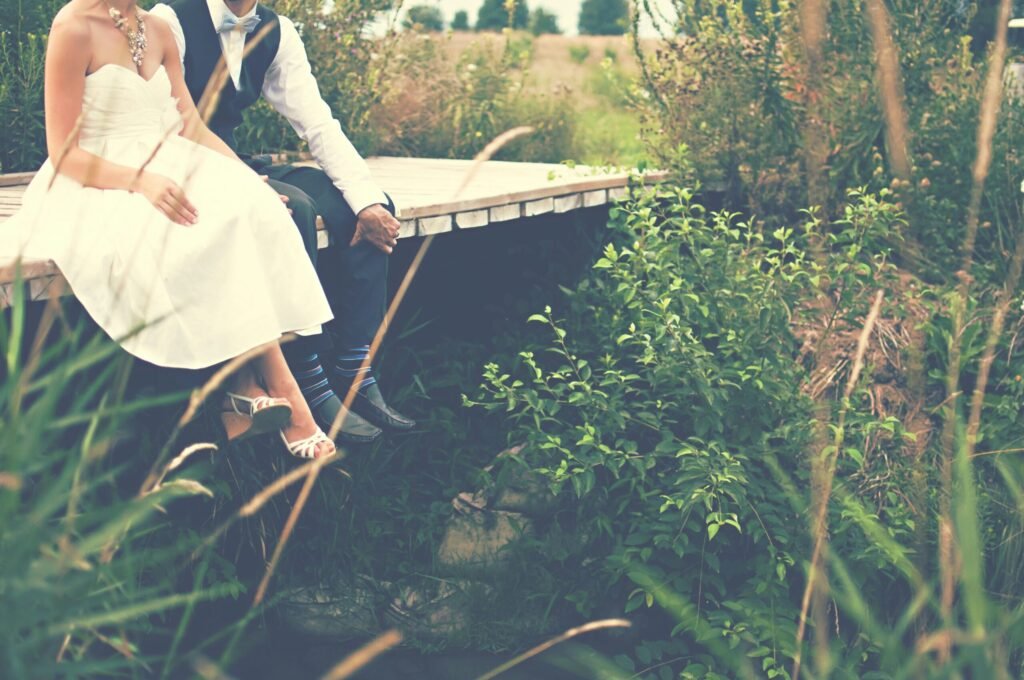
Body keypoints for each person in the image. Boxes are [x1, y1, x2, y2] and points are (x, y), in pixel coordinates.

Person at [0, 0, 336, 459]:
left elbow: (190, 126)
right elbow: (63, 151)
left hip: (169, 158)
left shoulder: (157, 28)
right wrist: (139, 181)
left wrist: (245, 177)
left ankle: (247, 390)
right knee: (188, 229)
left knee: (250, 210)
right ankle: (285, 397)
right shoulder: (73, 26)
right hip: (100, 176)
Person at [149, 0, 416, 445]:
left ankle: (354, 365)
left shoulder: (277, 30)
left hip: (237, 162)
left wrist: (366, 201)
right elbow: (166, 120)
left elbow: (317, 123)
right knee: (292, 211)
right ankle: (305, 374)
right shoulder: (172, 18)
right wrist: (246, 183)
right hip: (183, 167)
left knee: (365, 204)